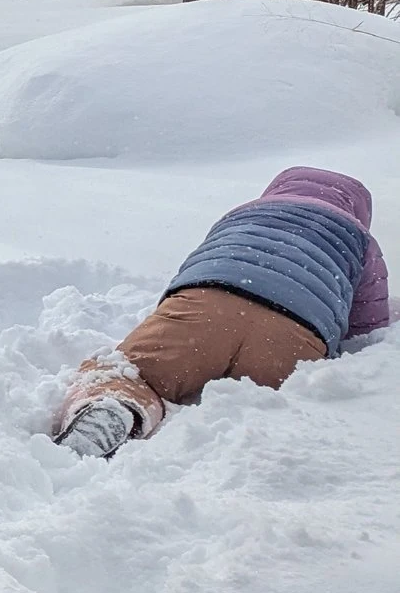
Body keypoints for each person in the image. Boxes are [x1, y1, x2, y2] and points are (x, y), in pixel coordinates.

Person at [53, 167, 389, 457]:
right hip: (293, 334)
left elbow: (199, 264)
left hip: (205, 306)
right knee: (286, 402)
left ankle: (114, 407)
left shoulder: (243, 214)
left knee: (133, 373)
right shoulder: (360, 241)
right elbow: (368, 326)